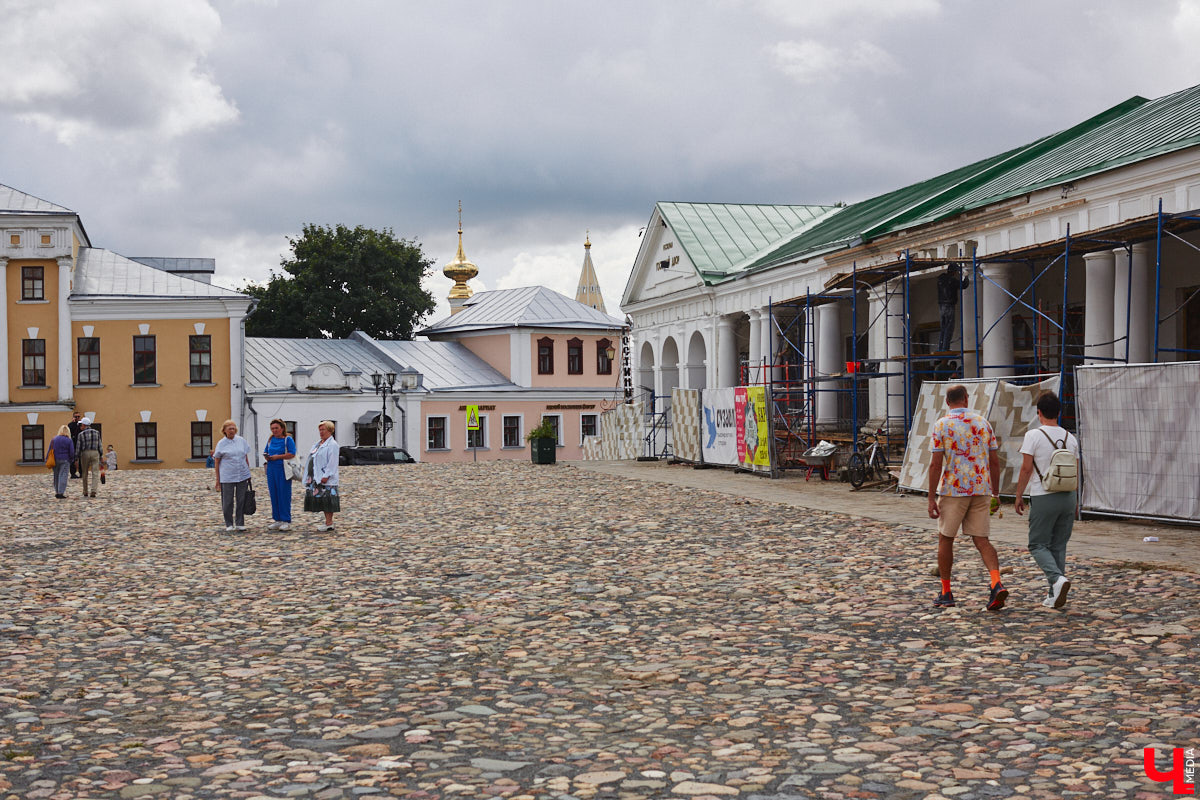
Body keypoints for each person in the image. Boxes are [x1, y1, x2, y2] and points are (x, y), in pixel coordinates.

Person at [927, 384, 1008, 611]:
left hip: (954, 490)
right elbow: (994, 461)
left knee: (946, 538)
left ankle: (946, 591)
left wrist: (931, 497)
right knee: (982, 540)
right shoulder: (983, 423)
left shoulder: (941, 425)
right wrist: (996, 493)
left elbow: (935, 465)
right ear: (966, 399)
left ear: (947, 401)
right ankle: (995, 582)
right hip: (981, 489)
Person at [1014, 392, 1080, 609]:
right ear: (1059, 413)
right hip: (1068, 496)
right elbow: (1077, 472)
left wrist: (1018, 495)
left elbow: (1026, 469)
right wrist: (1076, 500)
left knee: (1037, 543)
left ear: (1039, 412)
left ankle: (1057, 579)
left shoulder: (1033, 435)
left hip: (1044, 495)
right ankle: (1054, 595)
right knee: (1059, 545)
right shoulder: (1071, 438)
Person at [213, 419, 253, 532]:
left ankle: (240, 522)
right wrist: (217, 479)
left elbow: (245, 457)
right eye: (229, 428)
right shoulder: (221, 444)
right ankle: (229, 523)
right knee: (227, 501)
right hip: (227, 476)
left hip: (242, 475)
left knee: (241, 499)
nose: (232, 430)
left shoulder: (241, 441)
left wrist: (248, 472)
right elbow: (217, 461)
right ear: (224, 430)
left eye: (233, 428)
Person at [304, 420, 340, 532]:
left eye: (323, 429)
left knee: (328, 499)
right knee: (323, 499)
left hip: (326, 477)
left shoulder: (333, 445)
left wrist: (327, 475)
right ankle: (327, 522)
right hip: (316, 475)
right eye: (320, 430)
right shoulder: (318, 444)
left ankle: (329, 523)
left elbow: (332, 462)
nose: (321, 432)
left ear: (330, 430)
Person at [262, 418, 297, 531]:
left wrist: (278, 457)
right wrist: (267, 456)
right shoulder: (270, 439)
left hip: (283, 469)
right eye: (272, 428)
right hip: (271, 468)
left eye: (276, 428)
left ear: (282, 428)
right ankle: (277, 519)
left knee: (284, 494)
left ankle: (285, 519)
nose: (274, 430)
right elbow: (266, 450)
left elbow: (292, 453)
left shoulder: (288, 439)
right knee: (274, 494)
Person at [937, 263, 970, 353]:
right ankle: (945, 348)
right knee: (949, 327)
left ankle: (941, 347)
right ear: (954, 272)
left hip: (941, 305)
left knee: (943, 327)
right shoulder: (952, 280)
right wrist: (966, 276)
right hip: (949, 305)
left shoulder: (940, 279)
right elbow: (964, 285)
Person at [75, 418, 104, 498]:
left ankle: (85, 491)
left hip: (85, 453)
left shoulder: (81, 434)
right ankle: (93, 490)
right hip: (95, 452)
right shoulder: (96, 433)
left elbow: (78, 447)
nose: (80, 426)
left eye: (81, 425)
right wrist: (101, 455)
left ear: (84, 425)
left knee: (84, 473)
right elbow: (100, 445)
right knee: (95, 472)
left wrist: (76, 458)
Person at [47, 425, 75, 499]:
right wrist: (72, 459)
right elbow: (71, 452)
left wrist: (47, 459)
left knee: (56, 476)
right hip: (65, 460)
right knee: (63, 476)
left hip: (55, 460)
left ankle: (57, 491)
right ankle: (60, 492)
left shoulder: (54, 439)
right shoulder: (69, 440)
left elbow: (50, 449)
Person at [68, 411, 84, 479]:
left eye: (78, 416)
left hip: (80, 443)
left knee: (81, 459)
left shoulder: (81, 424)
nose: (77, 418)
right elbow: (70, 432)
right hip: (73, 443)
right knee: (73, 459)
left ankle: (81, 473)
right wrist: (74, 423)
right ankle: (73, 473)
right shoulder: (71, 425)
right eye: (76, 416)